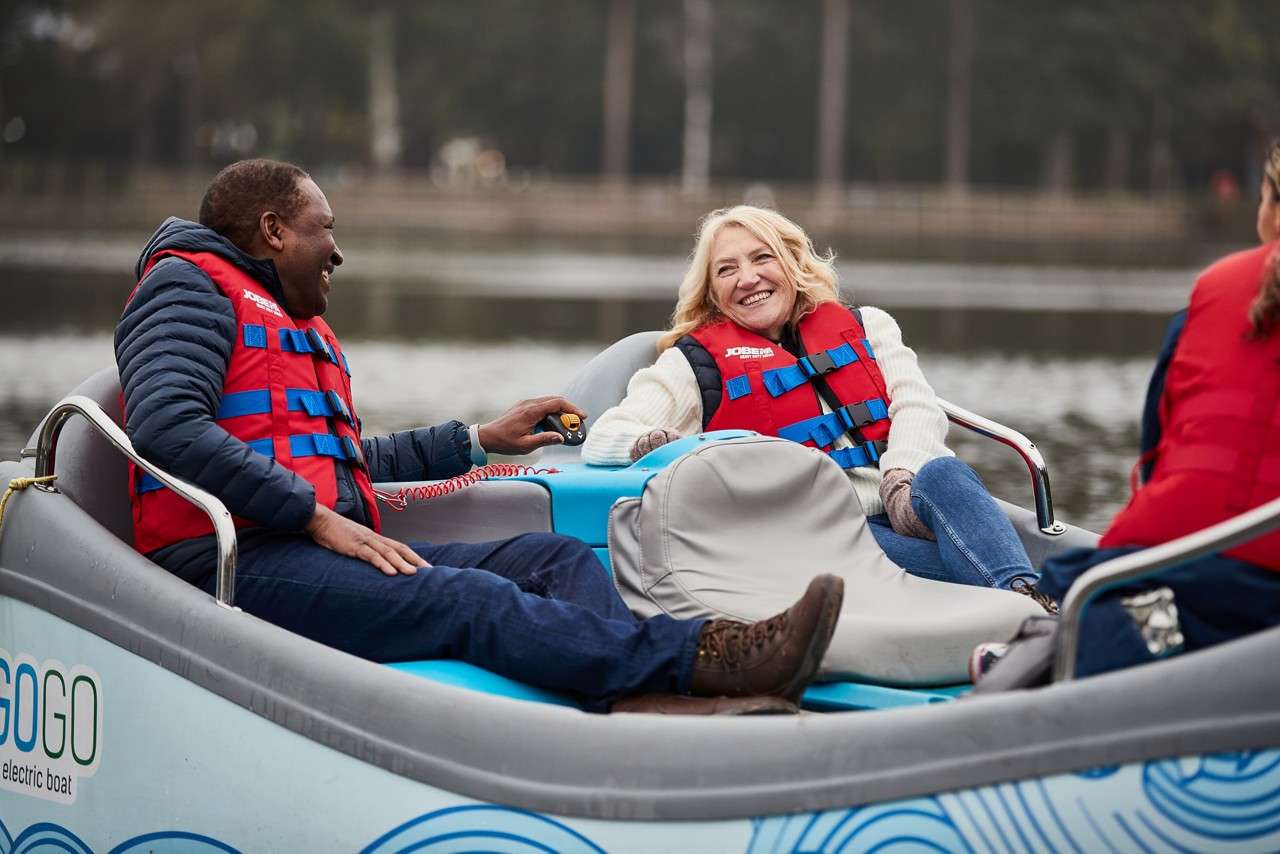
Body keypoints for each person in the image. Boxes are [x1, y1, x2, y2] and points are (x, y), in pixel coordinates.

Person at [115, 159, 845, 716]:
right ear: (273, 230)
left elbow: (343, 464)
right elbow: (166, 426)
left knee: (551, 558)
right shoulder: (187, 287)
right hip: (230, 562)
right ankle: (714, 657)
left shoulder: (288, 321)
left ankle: (635, 699)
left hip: (298, 542)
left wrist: (479, 438)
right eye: (324, 229)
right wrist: (314, 518)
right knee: (464, 599)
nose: (336, 252)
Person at [583, 205, 1049, 607]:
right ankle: (1031, 603)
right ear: (711, 293)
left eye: (762, 258)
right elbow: (603, 437)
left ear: (791, 263)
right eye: (726, 270)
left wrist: (900, 479)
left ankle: (1026, 601)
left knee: (946, 474)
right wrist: (664, 445)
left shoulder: (869, 326)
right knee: (958, 564)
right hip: (825, 530)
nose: (748, 278)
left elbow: (918, 408)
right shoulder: (693, 364)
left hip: (908, 501)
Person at [972, 143, 1280, 685]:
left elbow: (1160, 457)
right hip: (1248, 599)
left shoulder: (1207, 302)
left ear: (1270, 210)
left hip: (1180, 577)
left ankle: (1051, 662)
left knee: (1102, 598)